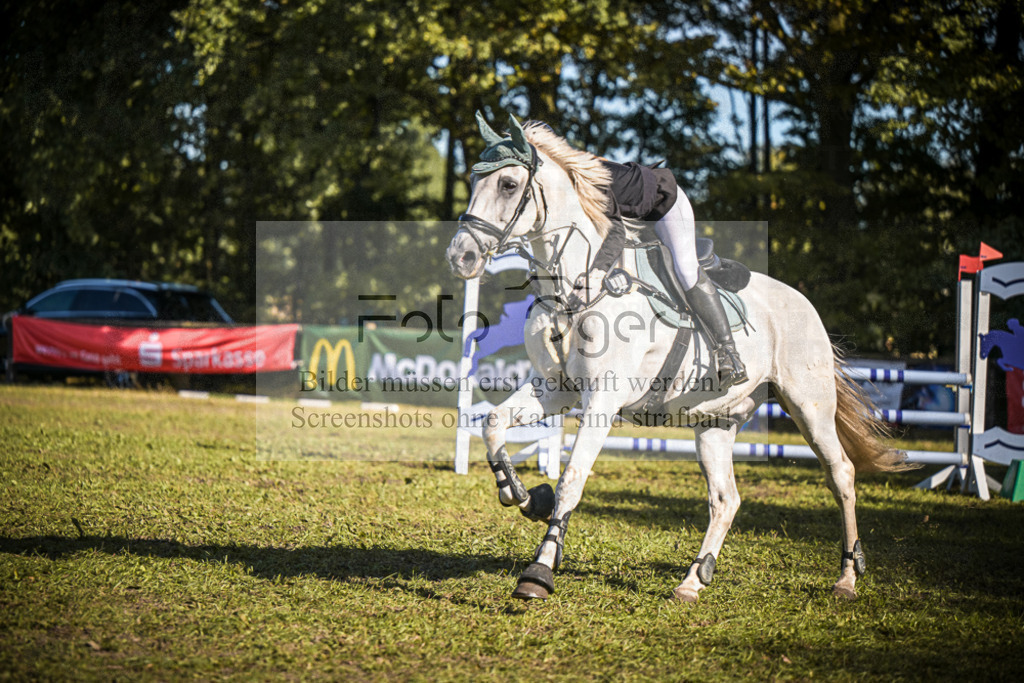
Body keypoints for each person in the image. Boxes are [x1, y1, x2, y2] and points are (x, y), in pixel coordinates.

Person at [582, 160, 748, 391]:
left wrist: (597, 271)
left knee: (685, 269)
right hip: (636, 214)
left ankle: (728, 352)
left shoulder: (584, 181)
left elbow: (616, 233)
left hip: (665, 203)